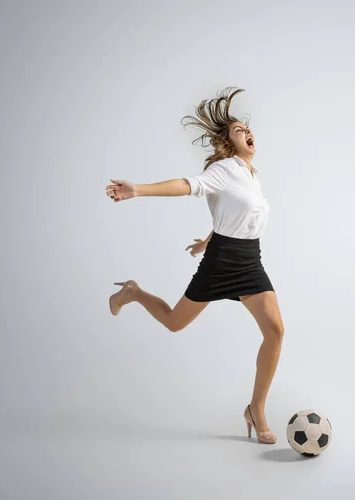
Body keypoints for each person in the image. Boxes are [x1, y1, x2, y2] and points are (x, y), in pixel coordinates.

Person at [105, 87, 284, 444]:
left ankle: (256, 408)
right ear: (227, 142)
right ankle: (134, 292)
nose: (246, 132)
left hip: (249, 262)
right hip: (221, 265)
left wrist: (208, 237)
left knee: (275, 331)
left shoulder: (253, 175)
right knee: (174, 323)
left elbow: (234, 213)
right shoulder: (223, 170)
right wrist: (137, 189)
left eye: (246, 128)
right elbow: (187, 185)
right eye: (237, 130)